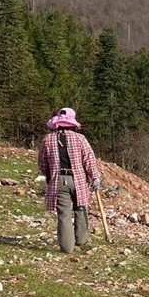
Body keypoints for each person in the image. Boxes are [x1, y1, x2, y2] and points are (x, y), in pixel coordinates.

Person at [37, 108, 101, 254]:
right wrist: (95, 177)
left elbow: (42, 163)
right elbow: (89, 159)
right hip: (77, 179)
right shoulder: (80, 139)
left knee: (64, 215)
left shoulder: (48, 139)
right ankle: (81, 240)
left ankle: (67, 247)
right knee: (81, 207)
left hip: (58, 179)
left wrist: (49, 176)